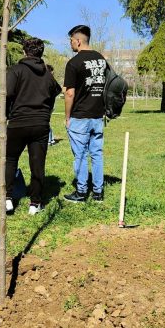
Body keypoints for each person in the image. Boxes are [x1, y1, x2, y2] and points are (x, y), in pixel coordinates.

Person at [4, 38, 62, 215]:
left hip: (18, 123)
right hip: (40, 125)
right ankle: (35, 203)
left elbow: (8, 94)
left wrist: (6, 115)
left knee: (11, 159)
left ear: (24, 52)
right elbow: (56, 91)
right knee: (37, 164)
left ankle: (7, 198)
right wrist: (46, 112)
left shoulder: (15, 71)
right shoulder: (47, 75)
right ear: (41, 53)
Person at [63, 24, 108, 203]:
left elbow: (69, 93)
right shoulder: (102, 60)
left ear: (79, 41)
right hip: (98, 116)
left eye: (71, 41)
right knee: (97, 153)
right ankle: (98, 192)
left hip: (80, 117)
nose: (71, 44)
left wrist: (67, 117)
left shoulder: (74, 63)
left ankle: (81, 192)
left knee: (80, 155)